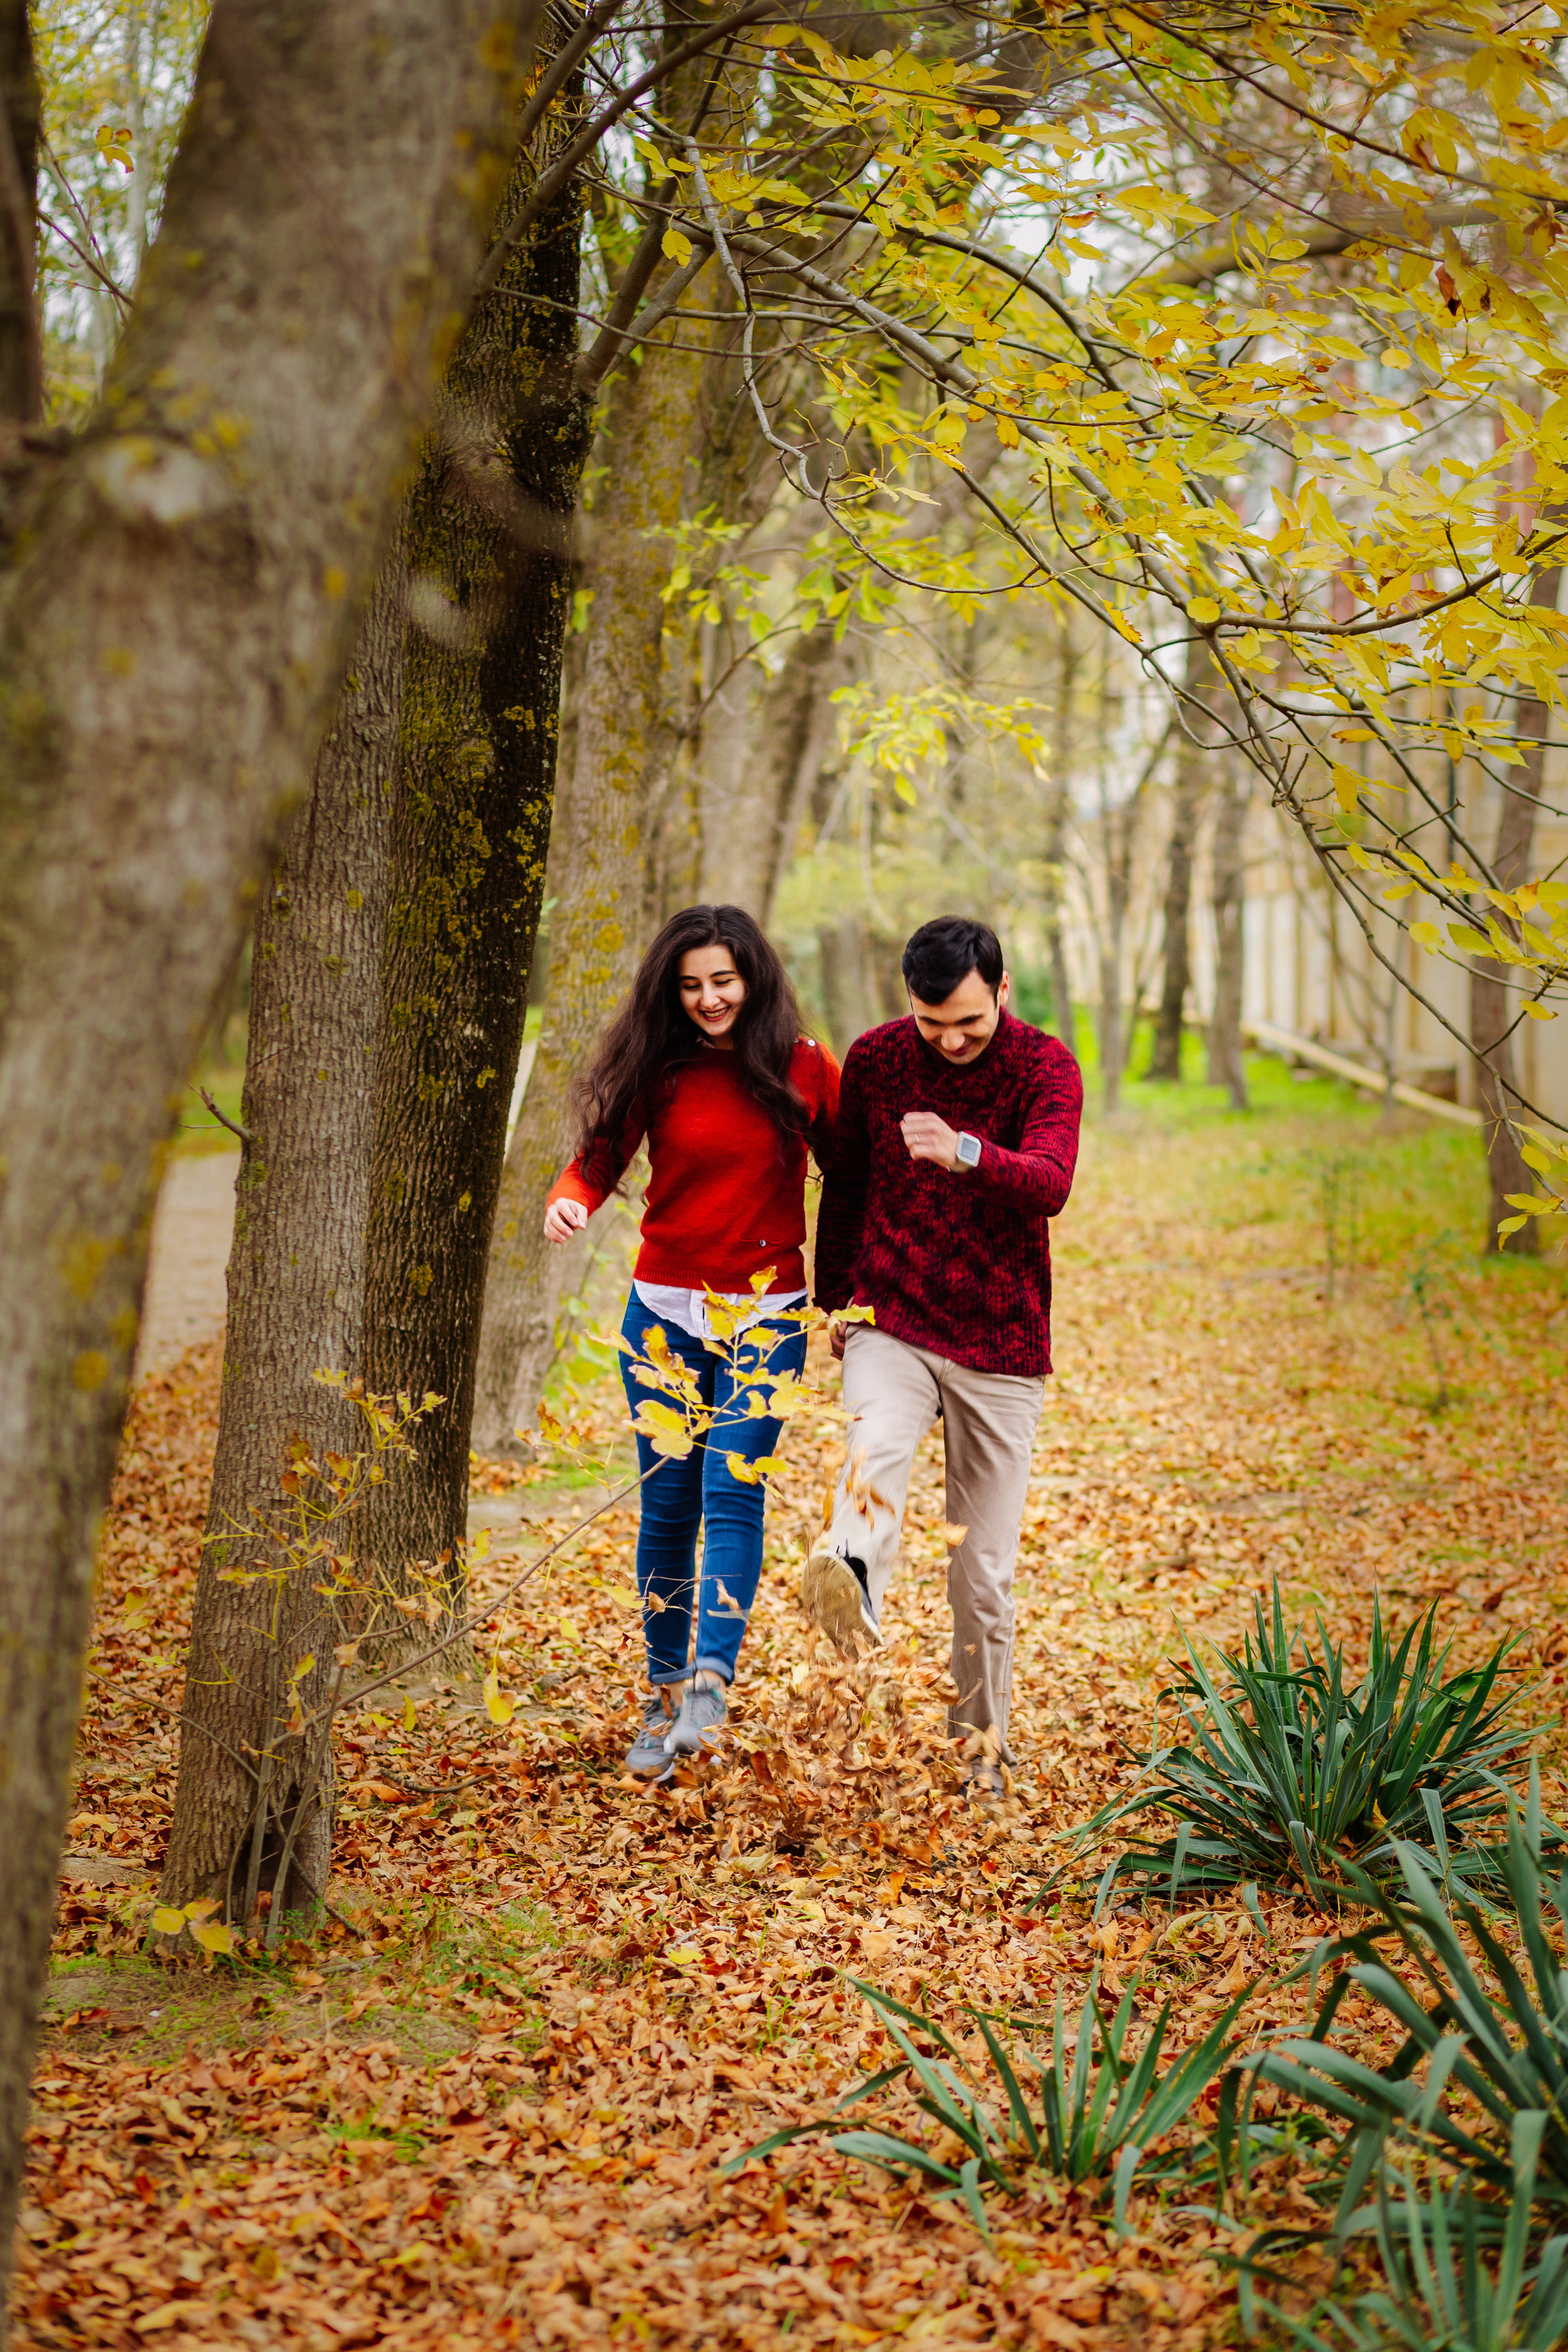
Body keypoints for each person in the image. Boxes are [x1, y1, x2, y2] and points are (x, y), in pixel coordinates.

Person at [544, 905, 839, 1778]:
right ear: (673, 990)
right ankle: (664, 1693)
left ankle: (711, 1684)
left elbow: (853, 1173)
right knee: (669, 1505)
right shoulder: (658, 1067)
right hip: (666, 1315)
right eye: (693, 985)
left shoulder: (803, 1066)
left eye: (725, 980)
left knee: (732, 1489)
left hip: (766, 1313)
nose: (711, 998)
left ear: (754, 978)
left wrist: (853, 1296)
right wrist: (571, 1198)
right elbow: (598, 1159)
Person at [805, 915, 1082, 1795]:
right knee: (877, 1436)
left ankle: (982, 1748)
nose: (952, 1041)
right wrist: (834, 1299)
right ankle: (848, 1570)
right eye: (934, 1025)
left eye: (969, 1021)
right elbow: (848, 1180)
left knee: (984, 1575)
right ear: (909, 1006)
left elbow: (1051, 1183)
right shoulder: (880, 1058)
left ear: (1002, 992)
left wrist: (964, 1151)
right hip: (892, 1313)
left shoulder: (1046, 1066)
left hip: (1001, 1340)